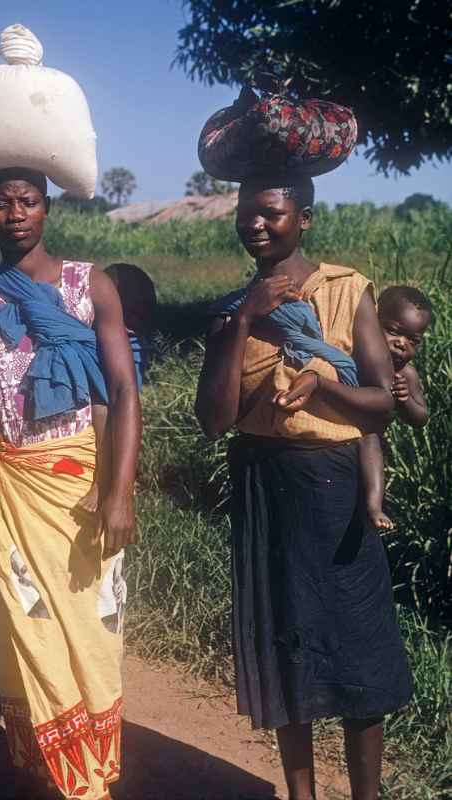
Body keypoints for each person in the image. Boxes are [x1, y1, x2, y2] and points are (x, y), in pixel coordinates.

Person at [195, 175, 412, 800]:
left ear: (305, 218)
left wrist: (323, 388)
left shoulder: (345, 292)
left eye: (273, 213)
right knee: (286, 649)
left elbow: (377, 406)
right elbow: (214, 421)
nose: (256, 225)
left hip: (335, 488)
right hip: (266, 484)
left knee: (357, 652)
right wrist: (244, 321)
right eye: (246, 214)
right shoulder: (233, 309)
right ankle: (302, 796)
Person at [0, 167, 141, 800]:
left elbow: (123, 391)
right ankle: (59, 779)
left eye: (27, 201)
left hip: (79, 491)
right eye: (1, 204)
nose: (16, 213)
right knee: (25, 635)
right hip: (4, 494)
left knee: (90, 632)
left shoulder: (91, 286)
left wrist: (119, 492)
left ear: (47, 208)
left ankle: (85, 771)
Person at [78, 262, 156, 513]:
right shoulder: (100, 333)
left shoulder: (131, 344)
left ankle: (105, 479)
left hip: (121, 381)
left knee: (104, 408)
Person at [359, 285, 431, 529]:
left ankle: (375, 507)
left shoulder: (406, 375)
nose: (402, 344)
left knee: (371, 440)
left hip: (370, 436)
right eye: (393, 331)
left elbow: (421, 417)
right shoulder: (358, 355)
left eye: (413, 340)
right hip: (335, 436)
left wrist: (404, 400)